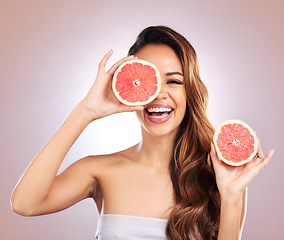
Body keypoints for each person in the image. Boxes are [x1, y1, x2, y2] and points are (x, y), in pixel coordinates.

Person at [11, 26, 274, 240]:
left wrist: (230, 197)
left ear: (190, 91)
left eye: (173, 81)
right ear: (129, 87)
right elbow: (25, 203)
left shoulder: (219, 177)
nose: (159, 93)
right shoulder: (100, 171)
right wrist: (86, 111)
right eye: (150, 81)